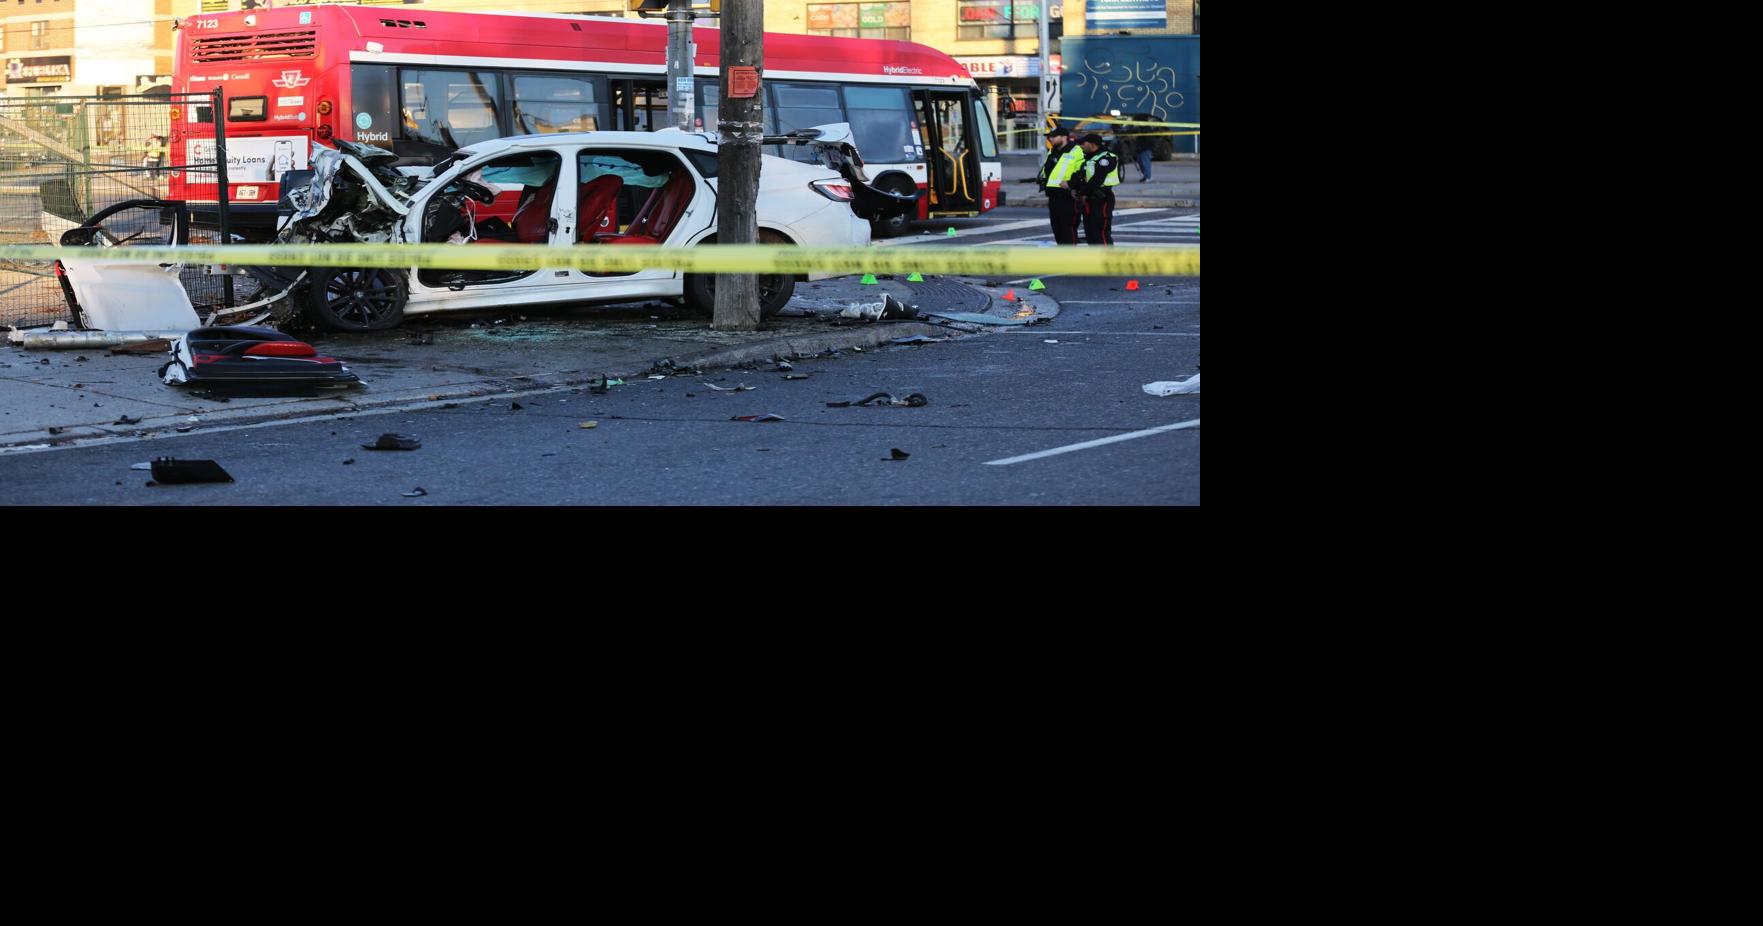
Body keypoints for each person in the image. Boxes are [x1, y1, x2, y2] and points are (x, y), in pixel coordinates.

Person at [1067, 133, 1121, 246]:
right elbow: (1080, 177)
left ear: (1092, 144)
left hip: (1101, 199)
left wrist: (1083, 193)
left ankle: (1107, 260)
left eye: (1083, 144)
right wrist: (1073, 187)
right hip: (1089, 200)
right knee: (1091, 234)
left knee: (1100, 233)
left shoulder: (1106, 158)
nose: (1081, 146)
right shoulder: (1088, 158)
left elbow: (1097, 180)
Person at [1038, 127, 1085, 245]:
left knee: (1068, 229)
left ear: (1064, 137)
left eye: (1053, 136)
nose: (1050, 139)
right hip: (1053, 196)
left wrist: (1072, 185)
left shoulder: (1076, 150)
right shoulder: (1053, 151)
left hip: (1068, 196)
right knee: (1057, 229)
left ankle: (1070, 257)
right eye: (1049, 137)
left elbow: (1082, 172)